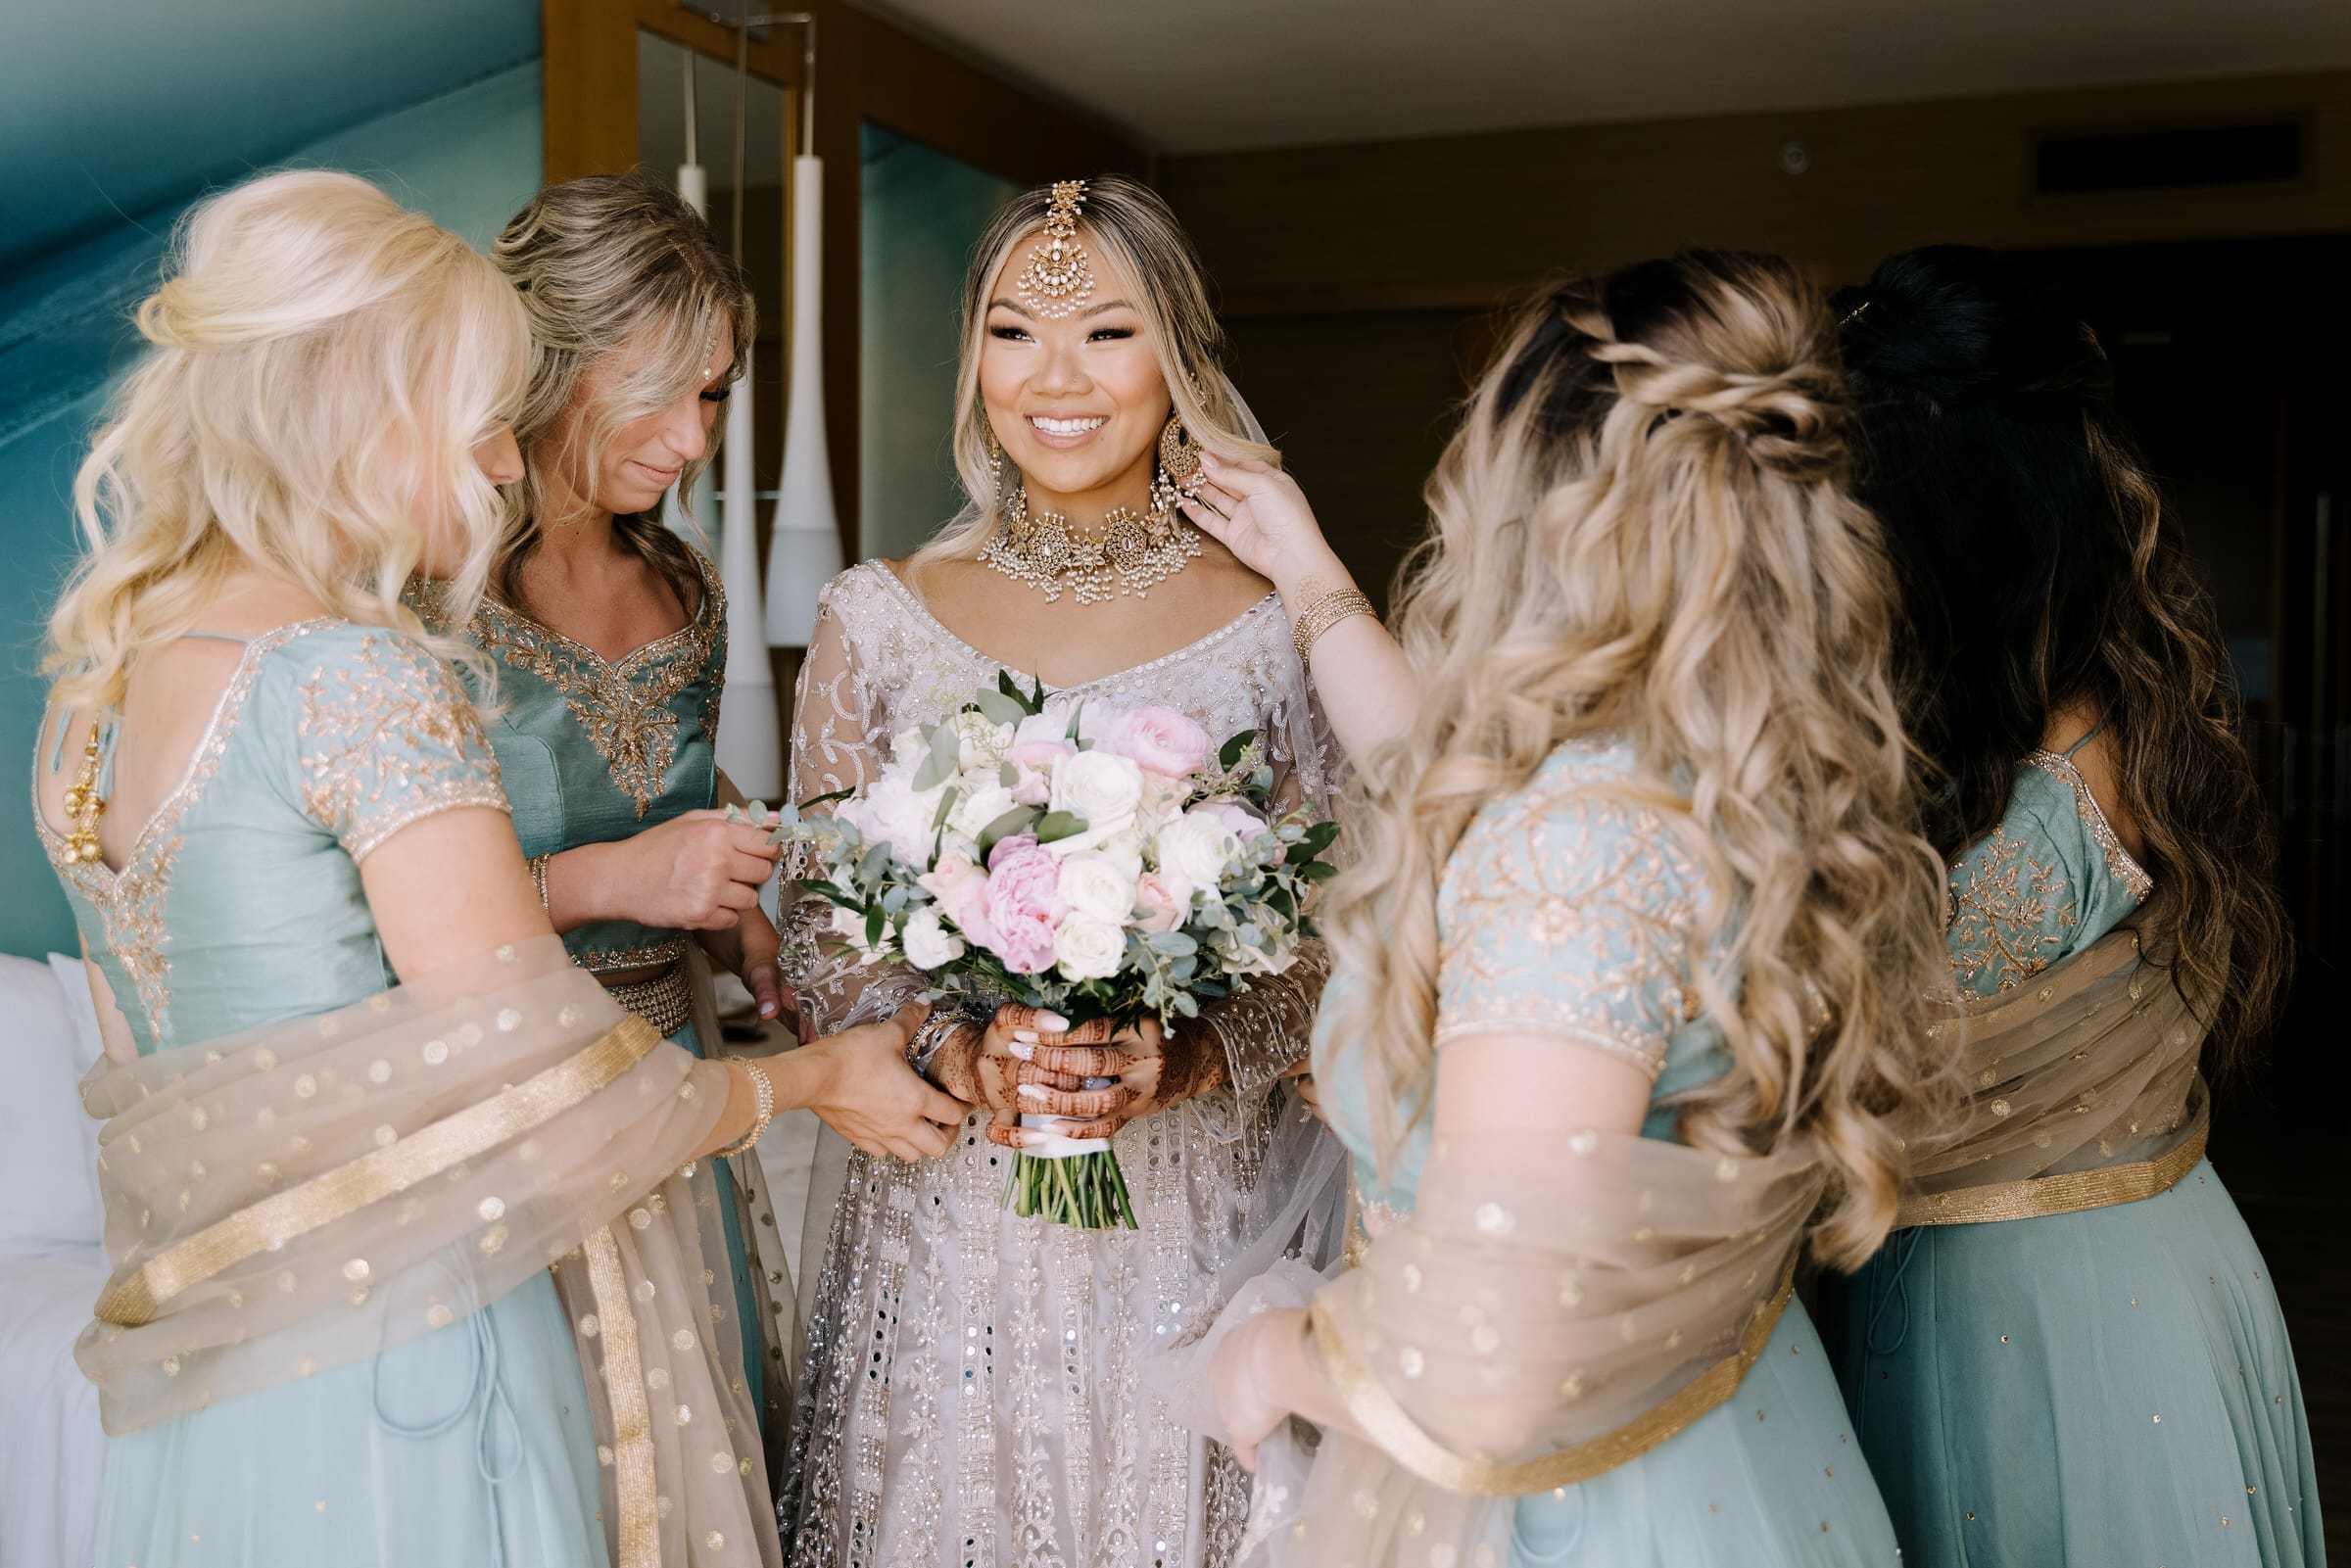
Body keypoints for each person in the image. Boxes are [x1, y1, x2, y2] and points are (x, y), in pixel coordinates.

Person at [33, 167, 828, 1568]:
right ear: (359, 410)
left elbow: (148, 1080)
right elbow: (532, 1069)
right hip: (420, 1308)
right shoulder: (359, 674)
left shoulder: (91, 694)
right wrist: (813, 1083)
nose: (508, 461)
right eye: (480, 417)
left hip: (223, 1339)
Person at [1192, 253, 1949, 1565]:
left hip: (1575, 1508)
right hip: (1732, 1427)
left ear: (1537, 504)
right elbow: (1436, 779)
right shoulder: (1714, 771)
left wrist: (1269, 1359)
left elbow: (1494, 1364)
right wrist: (1306, 574)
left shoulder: (1571, 846)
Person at [773, 175, 1348, 1568]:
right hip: (950, 1225)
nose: (1056, 379)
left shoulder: (1277, 626)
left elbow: (1343, 934)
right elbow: (819, 921)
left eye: (1105, 331)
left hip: (1200, 1217)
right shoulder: (879, 616)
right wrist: (961, 1049)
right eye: (1014, 332)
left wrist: (1189, 1054)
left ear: (1180, 353)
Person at [415, 173, 969, 1454]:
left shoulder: (683, 587)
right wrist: (617, 877)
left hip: (678, 1091)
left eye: (714, 393)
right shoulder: (422, 596)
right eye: (657, 390)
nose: (693, 437)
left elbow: (659, 773)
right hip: (494, 1115)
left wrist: (730, 908)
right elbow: (360, 915)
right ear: (544, 363)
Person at [1818, 246, 2321, 1566]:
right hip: (2101, 1257)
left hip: (2053, 1322)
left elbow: (1819, 1049)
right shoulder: (2081, 700)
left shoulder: (2053, 797)